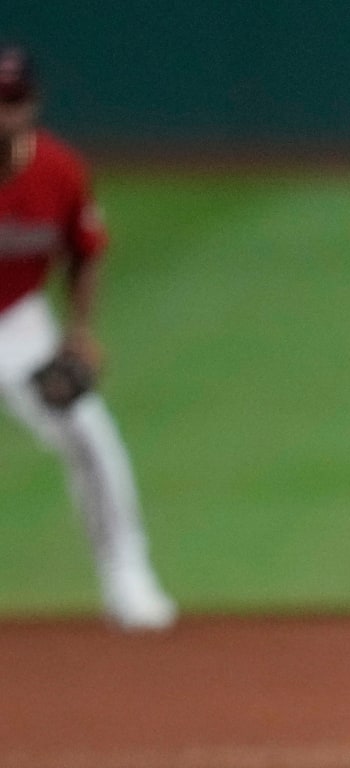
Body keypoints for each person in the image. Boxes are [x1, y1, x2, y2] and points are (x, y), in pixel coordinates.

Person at [0, 44, 176, 632]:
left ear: (34, 104)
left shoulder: (60, 171)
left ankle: (128, 576)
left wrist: (78, 333)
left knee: (90, 437)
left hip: (18, 323)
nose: (5, 114)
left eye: (14, 101)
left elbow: (85, 253)